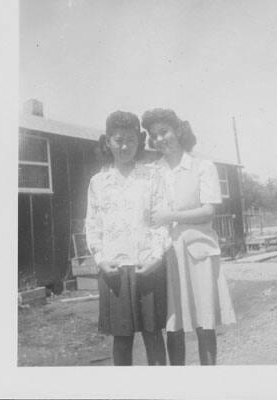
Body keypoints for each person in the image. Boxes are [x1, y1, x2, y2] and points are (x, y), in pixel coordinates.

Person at [141, 108, 236, 365]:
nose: (160, 139)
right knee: (174, 322)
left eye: (165, 131)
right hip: (166, 254)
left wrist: (170, 215)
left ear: (178, 131)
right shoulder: (152, 172)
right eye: (154, 134)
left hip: (198, 252)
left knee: (205, 320)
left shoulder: (202, 166)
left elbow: (208, 211)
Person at [85, 111, 171, 366]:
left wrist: (156, 257)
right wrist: (100, 260)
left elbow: (162, 221)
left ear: (139, 141)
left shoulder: (151, 177)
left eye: (131, 140)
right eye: (118, 139)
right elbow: (92, 225)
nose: (124, 146)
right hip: (114, 270)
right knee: (122, 340)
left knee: (153, 336)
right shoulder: (98, 182)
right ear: (108, 142)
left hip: (148, 267)